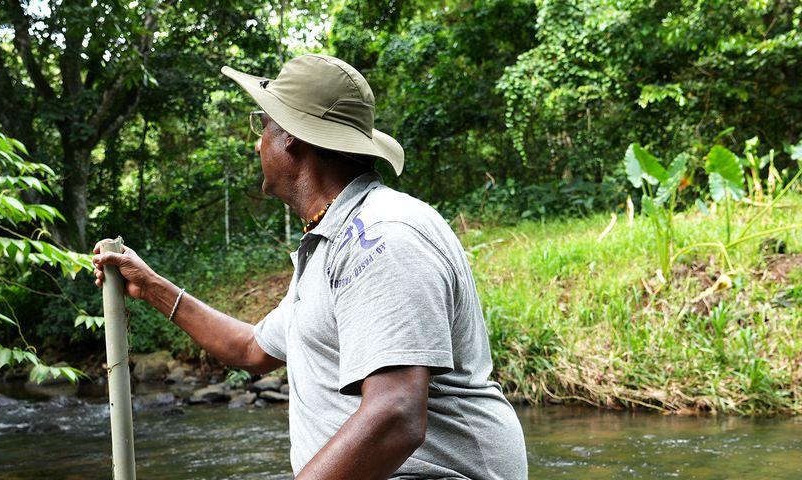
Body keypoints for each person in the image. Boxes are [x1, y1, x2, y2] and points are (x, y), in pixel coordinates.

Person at [92, 54, 527, 479]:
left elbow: (395, 415)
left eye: (262, 126)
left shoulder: (382, 235)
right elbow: (252, 350)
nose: (257, 142)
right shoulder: (330, 242)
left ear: (292, 137)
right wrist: (150, 287)